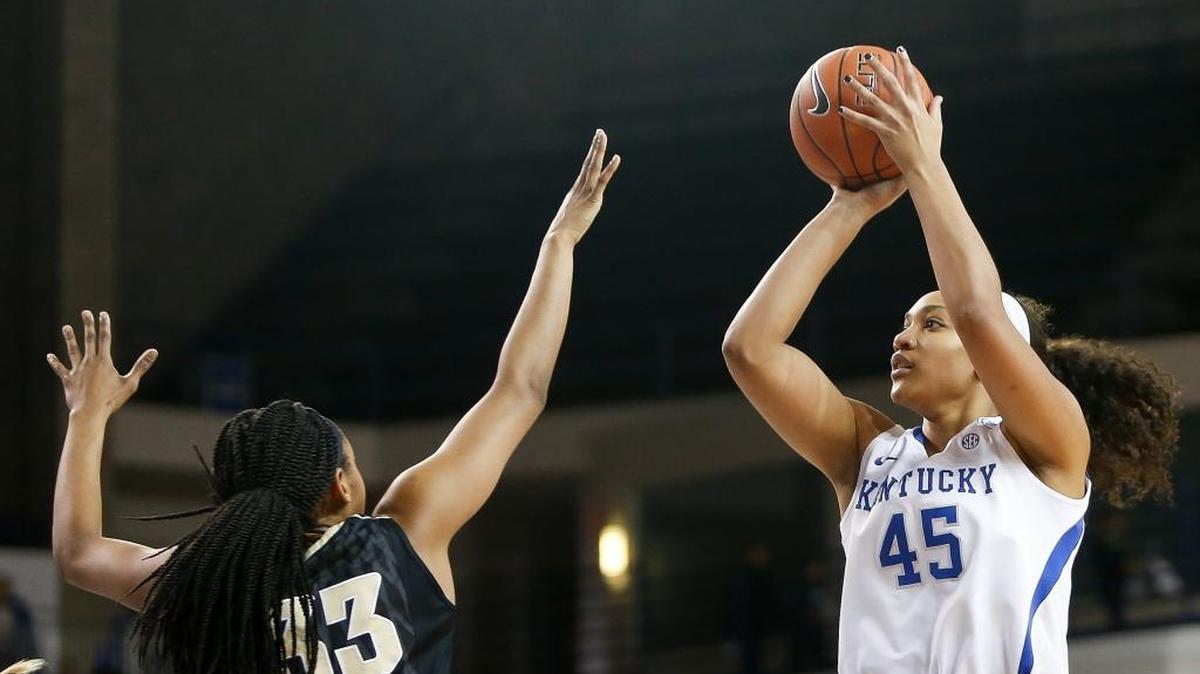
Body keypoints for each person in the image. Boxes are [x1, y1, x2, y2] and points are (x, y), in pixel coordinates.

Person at [47, 131, 621, 674]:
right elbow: (520, 388)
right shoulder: (405, 534)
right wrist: (559, 242)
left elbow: (77, 554)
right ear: (340, 486)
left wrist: (86, 415)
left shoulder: (205, 581)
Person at [723, 46, 1179, 672]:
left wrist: (924, 164)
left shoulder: (1048, 447)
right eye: (904, 325)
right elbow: (750, 350)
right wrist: (848, 206)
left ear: (990, 360)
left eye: (929, 324)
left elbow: (976, 312)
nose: (901, 339)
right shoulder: (870, 455)